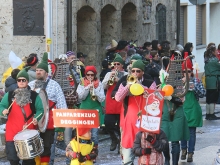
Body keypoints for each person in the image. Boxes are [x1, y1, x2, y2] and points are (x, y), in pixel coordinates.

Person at [114, 60, 156, 165]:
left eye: (138, 71)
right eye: (133, 71)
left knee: (145, 156)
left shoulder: (150, 82)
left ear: (142, 72)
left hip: (145, 122)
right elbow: (118, 98)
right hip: (129, 123)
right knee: (127, 158)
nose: (135, 73)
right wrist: (128, 86)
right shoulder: (125, 82)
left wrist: (140, 86)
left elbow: (154, 97)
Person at [28, 52, 68, 165]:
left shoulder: (54, 85)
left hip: (49, 122)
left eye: (41, 70)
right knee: (34, 148)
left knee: (46, 148)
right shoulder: (30, 85)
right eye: (37, 70)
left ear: (46, 73)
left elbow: (61, 104)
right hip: (33, 121)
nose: (38, 72)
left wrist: (62, 122)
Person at [0, 67, 44, 165]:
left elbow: (40, 110)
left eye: (23, 80)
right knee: (13, 159)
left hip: (27, 132)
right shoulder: (10, 95)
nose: (21, 82)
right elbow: (1, 106)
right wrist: (3, 110)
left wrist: (37, 118)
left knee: (28, 161)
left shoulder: (34, 96)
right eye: (19, 80)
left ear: (27, 81)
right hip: (12, 133)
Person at [76, 65, 105, 162]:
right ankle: (84, 153)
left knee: (95, 135)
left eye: (92, 75)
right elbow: (80, 97)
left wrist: (95, 91)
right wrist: (87, 88)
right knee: (84, 133)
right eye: (88, 75)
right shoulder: (81, 83)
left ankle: (93, 155)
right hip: (84, 110)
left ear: (95, 75)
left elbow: (102, 98)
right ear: (85, 74)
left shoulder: (99, 84)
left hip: (95, 111)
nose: (90, 77)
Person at [180, 53, 205, 162]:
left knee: (191, 132)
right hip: (182, 109)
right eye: (185, 72)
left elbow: (203, 94)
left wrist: (194, 88)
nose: (187, 74)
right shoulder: (178, 82)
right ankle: (183, 149)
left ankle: (190, 152)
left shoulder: (196, 81)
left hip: (193, 110)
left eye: (189, 71)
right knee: (181, 131)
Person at [102, 54, 128, 152]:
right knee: (108, 123)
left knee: (121, 125)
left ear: (122, 65)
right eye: (115, 64)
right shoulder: (109, 74)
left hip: (121, 103)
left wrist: (119, 81)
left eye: (118, 64)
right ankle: (114, 139)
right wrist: (109, 79)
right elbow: (103, 86)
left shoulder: (126, 74)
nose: (116, 66)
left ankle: (121, 143)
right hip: (111, 102)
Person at [204, 44, 220, 120]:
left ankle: (207, 114)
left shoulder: (207, 59)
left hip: (208, 80)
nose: (217, 51)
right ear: (213, 51)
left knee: (208, 97)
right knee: (213, 97)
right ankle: (211, 114)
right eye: (216, 50)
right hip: (214, 80)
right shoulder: (215, 60)